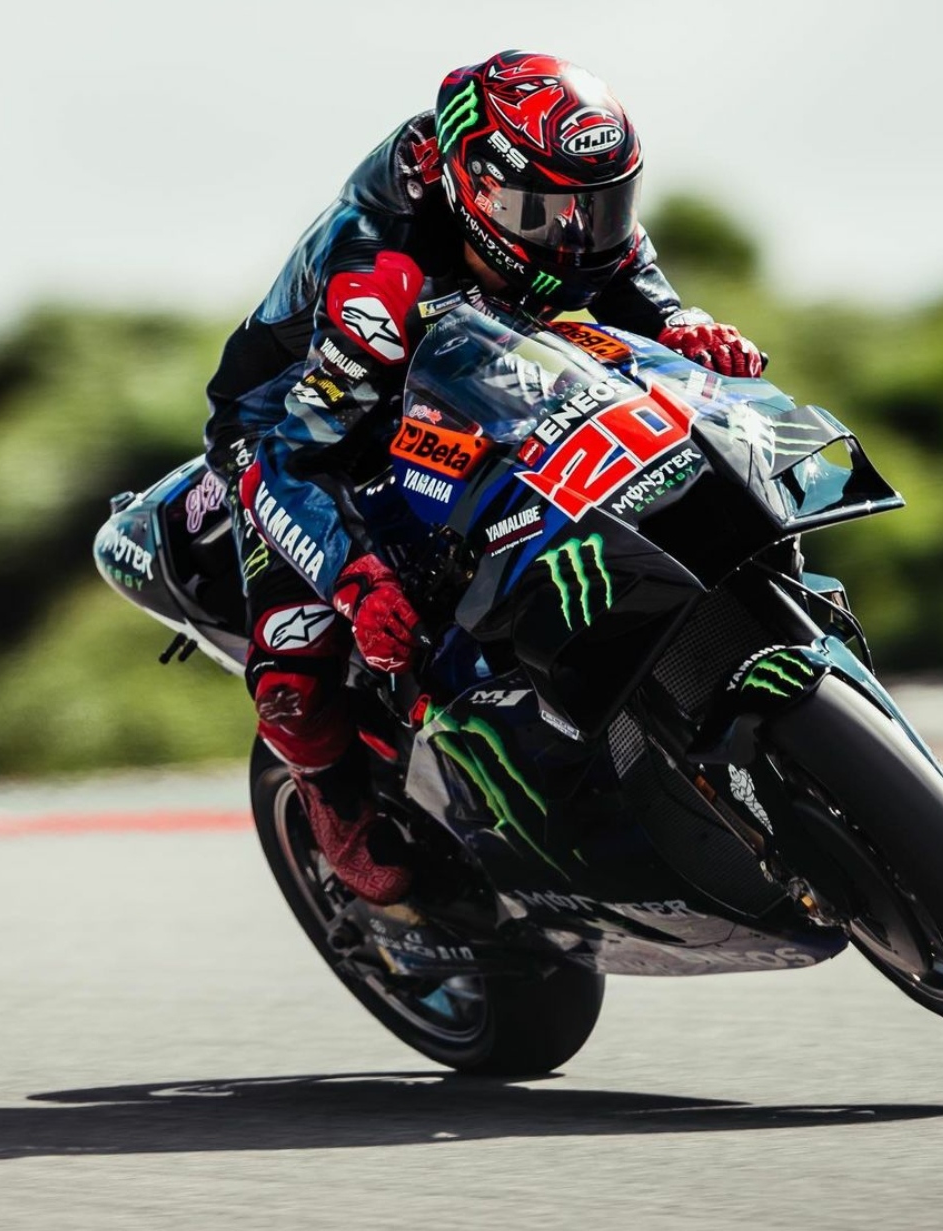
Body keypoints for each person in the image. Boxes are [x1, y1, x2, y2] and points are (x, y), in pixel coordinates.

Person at [204, 49, 764, 906]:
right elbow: (290, 459)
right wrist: (355, 582)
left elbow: (631, 278)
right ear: (477, 189)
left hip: (465, 354)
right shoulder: (377, 284)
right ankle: (333, 804)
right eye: (550, 213)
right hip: (300, 422)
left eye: (603, 205)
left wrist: (681, 326)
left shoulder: (552, 203)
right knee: (294, 670)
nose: (579, 235)